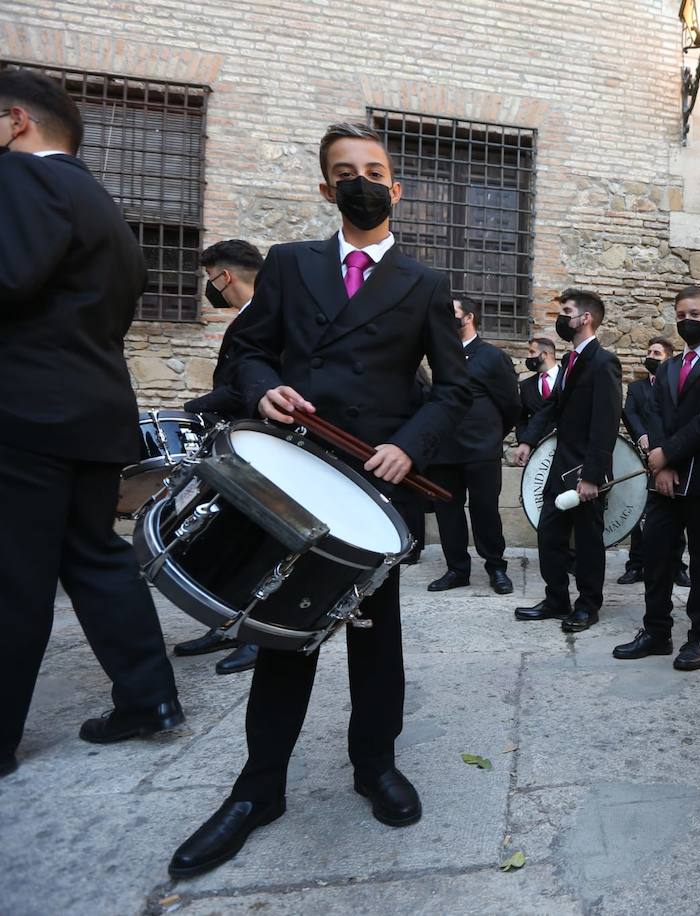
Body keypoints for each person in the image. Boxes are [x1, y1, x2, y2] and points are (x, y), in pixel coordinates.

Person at [169, 122, 470, 877]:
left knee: (375, 636)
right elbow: (248, 350)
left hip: (377, 481)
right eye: (344, 172)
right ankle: (258, 789)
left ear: (397, 187)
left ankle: (375, 765)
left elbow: (454, 388)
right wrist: (262, 388)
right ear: (326, 187)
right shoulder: (290, 263)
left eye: (374, 170)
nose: (360, 181)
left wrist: (411, 444)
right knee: (282, 630)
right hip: (296, 470)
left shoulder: (426, 283)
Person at [0, 69, 185, 779]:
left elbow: (9, 278)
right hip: (96, 409)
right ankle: (149, 699)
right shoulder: (104, 205)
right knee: (96, 559)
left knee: (16, 574)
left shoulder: (24, 178)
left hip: (26, 409)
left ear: (17, 120)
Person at [613, 287, 700, 670]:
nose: (687, 320)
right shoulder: (669, 368)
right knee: (656, 555)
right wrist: (662, 463)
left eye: (694, 314)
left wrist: (669, 454)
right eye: (680, 315)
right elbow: (655, 415)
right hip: (666, 480)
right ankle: (656, 631)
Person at [172, 238, 266, 675]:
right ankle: (227, 624)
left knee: (254, 542)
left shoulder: (264, 316)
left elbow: (245, 385)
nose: (211, 287)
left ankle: (256, 636)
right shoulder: (251, 315)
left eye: (211, 279)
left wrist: (193, 408)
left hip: (257, 443)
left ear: (225, 276)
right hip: (238, 440)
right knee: (229, 537)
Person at [513, 290, 622, 633]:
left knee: (588, 542)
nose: (562, 318)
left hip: (586, 470)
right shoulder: (569, 361)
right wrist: (528, 441)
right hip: (560, 466)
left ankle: (588, 605)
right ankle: (556, 599)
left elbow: (606, 423)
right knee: (549, 535)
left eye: (567, 311)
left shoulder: (604, 362)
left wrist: (592, 475)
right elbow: (552, 406)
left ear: (585, 318)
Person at [427, 300, 520, 595]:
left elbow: (511, 405)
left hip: (481, 450)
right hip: (444, 451)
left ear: (468, 317)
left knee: (485, 511)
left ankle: (496, 567)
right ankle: (457, 570)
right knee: (448, 513)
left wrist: (492, 435)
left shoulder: (492, 357)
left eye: (451, 313)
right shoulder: (441, 355)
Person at [619, 336, 688, 588]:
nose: (650, 356)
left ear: (668, 359)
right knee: (640, 511)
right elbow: (630, 413)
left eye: (656, 353)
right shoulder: (637, 388)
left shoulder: (677, 385)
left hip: (669, 458)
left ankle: (676, 566)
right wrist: (642, 436)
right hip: (642, 458)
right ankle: (636, 565)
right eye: (649, 352)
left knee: (674, 511)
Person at [517, 336, 558, 445]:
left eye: (532, 352)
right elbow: (521, 420)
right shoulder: (526, 386)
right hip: (536, 448)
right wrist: (524, 441)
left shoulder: (567, 378)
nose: (528, 356)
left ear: (544, 355)